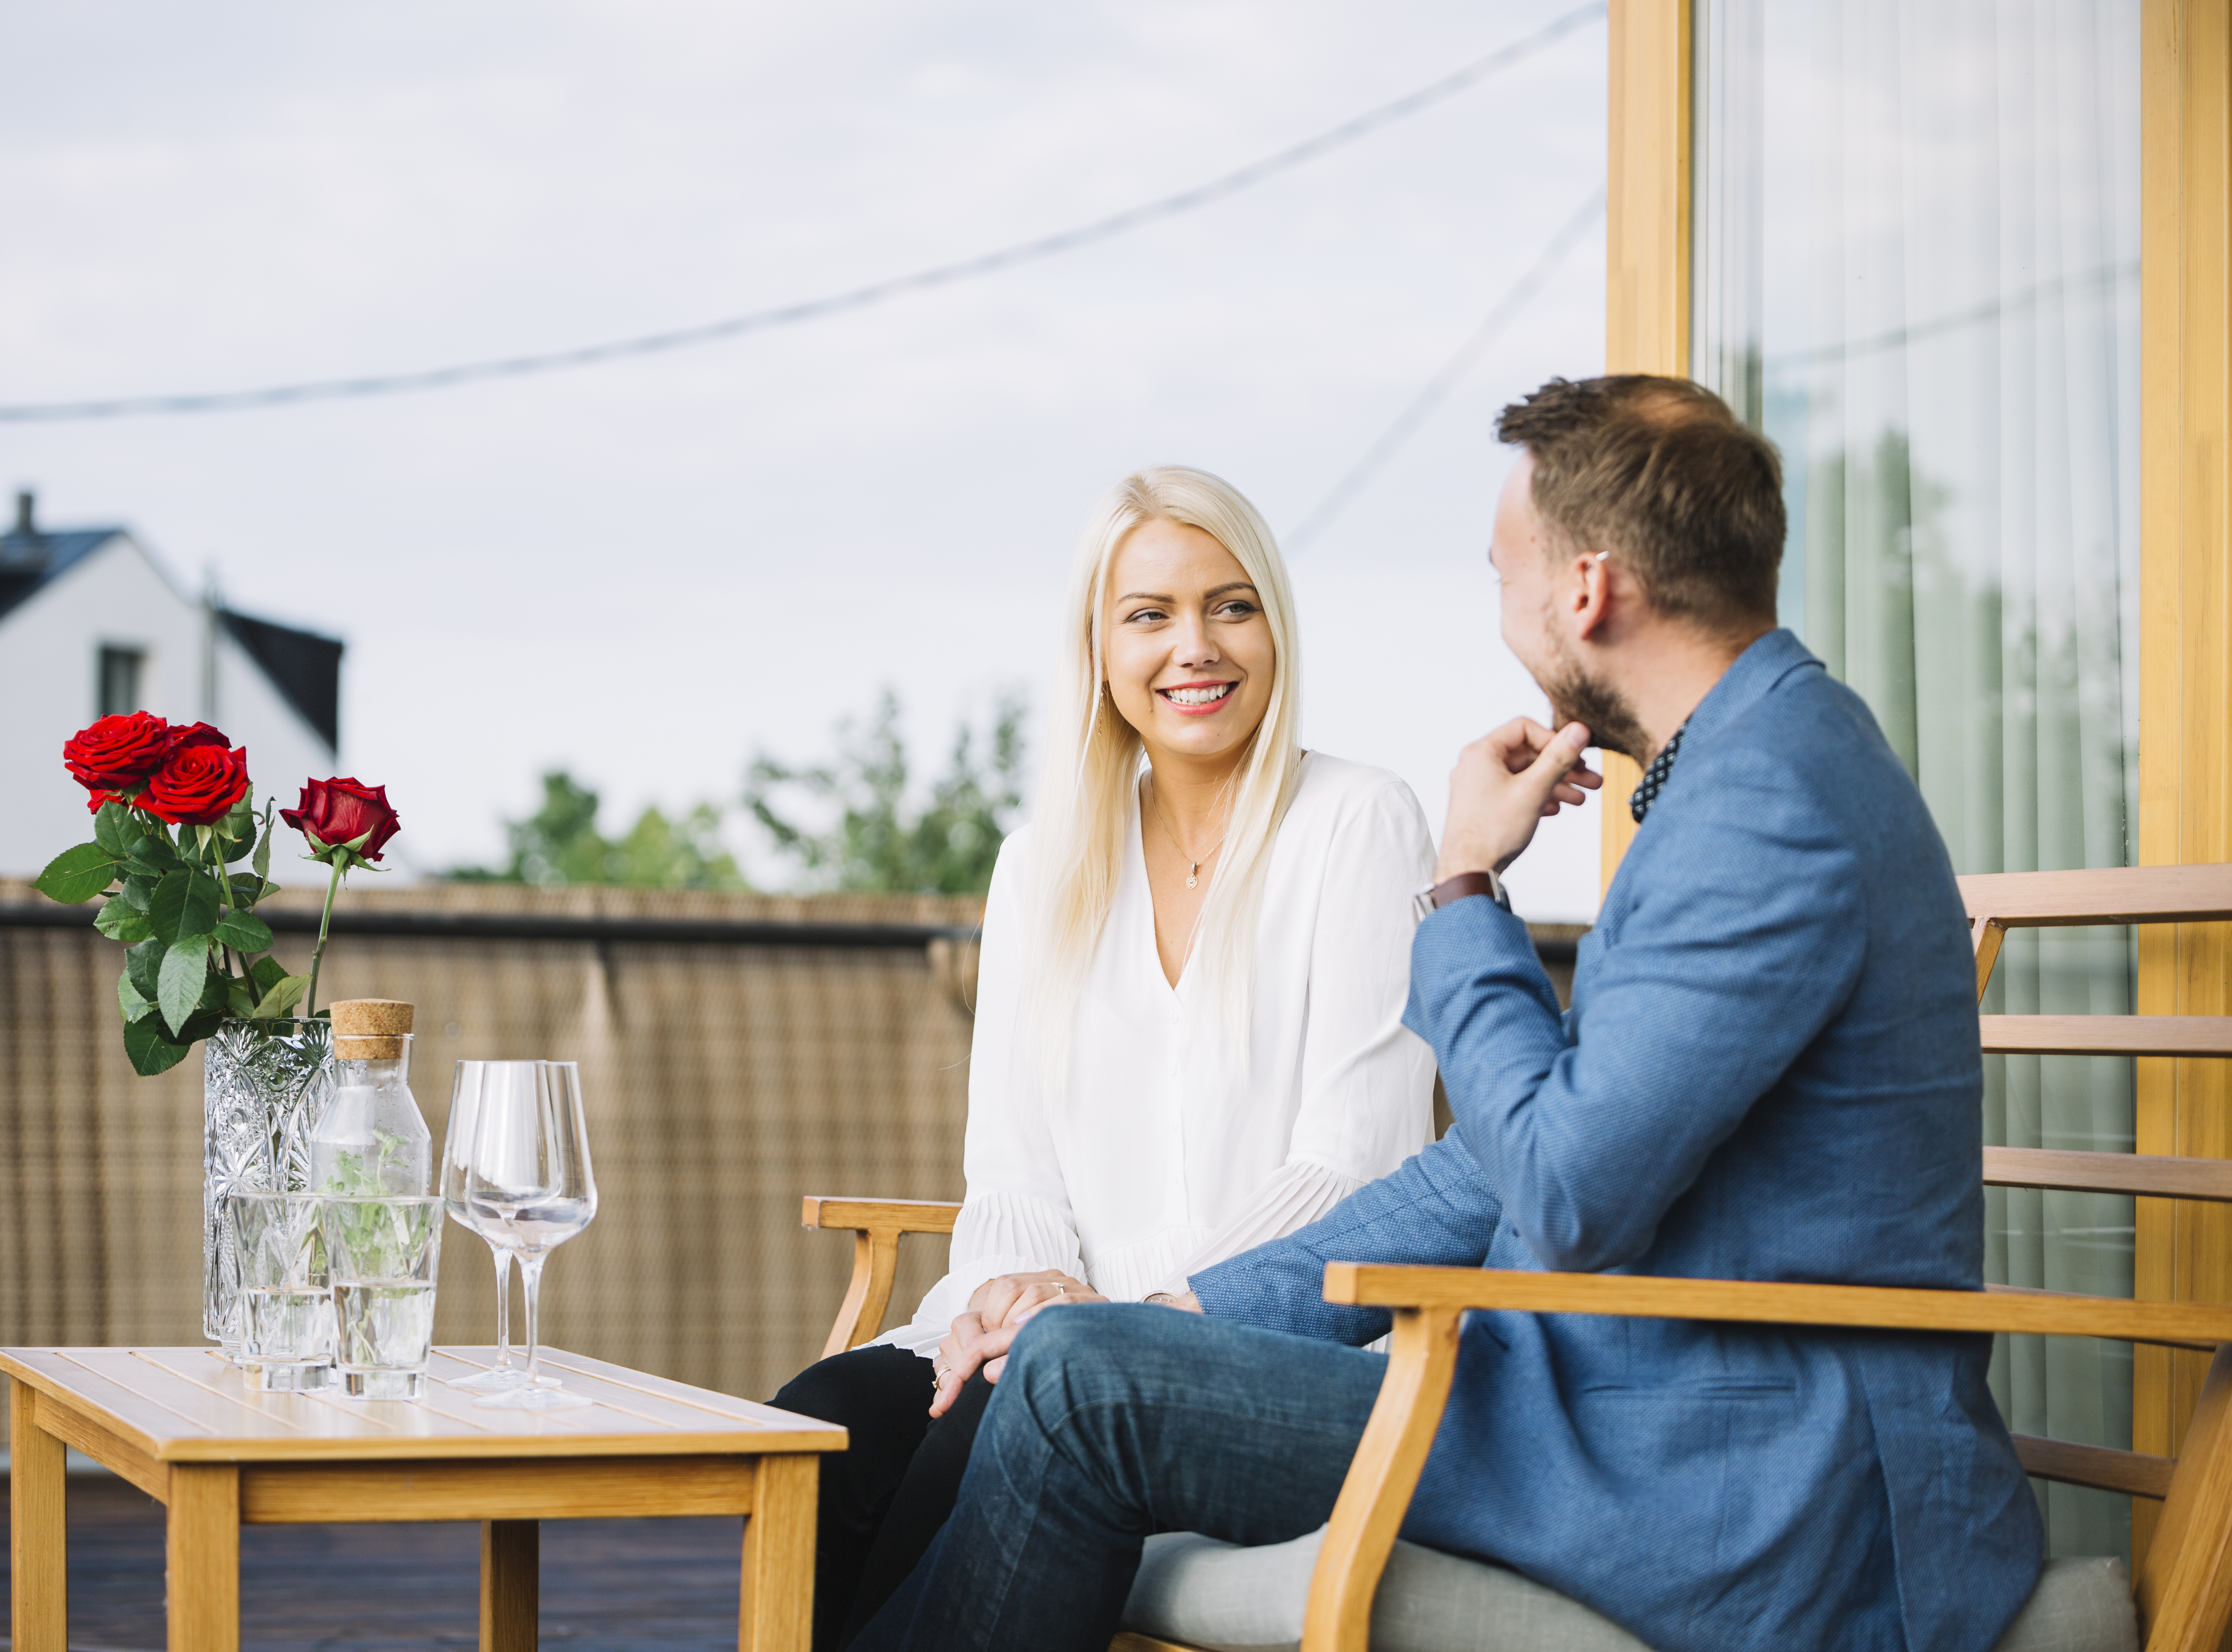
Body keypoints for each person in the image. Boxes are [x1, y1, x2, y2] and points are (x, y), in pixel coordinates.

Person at [849, 376, 2044, 1652]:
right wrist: (1188, 1318)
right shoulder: (1746, 770)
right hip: (1595, 1405)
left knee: (1082, 1388)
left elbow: (1566, 1190)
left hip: (1731, 1469)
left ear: (1585, 591)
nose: (1501, 611)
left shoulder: (1771, 803)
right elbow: (1491, 1166)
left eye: (1499, 572)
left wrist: (1463, 891)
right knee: (1075, 1364)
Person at [771, 465, 1442, 1649]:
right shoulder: (1043, 864)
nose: (1197, 646)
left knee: (1013, 1407)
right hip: (1054, 1334)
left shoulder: (1360, 824)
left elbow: (1355, 1170)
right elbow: (1016, 1172)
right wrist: (1014, 1302)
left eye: (1232, 605)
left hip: (1259, 1352)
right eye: (1151, 615)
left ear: (1276, 625)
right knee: (825, 1421)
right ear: (1097, 645)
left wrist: (1094, 1321)